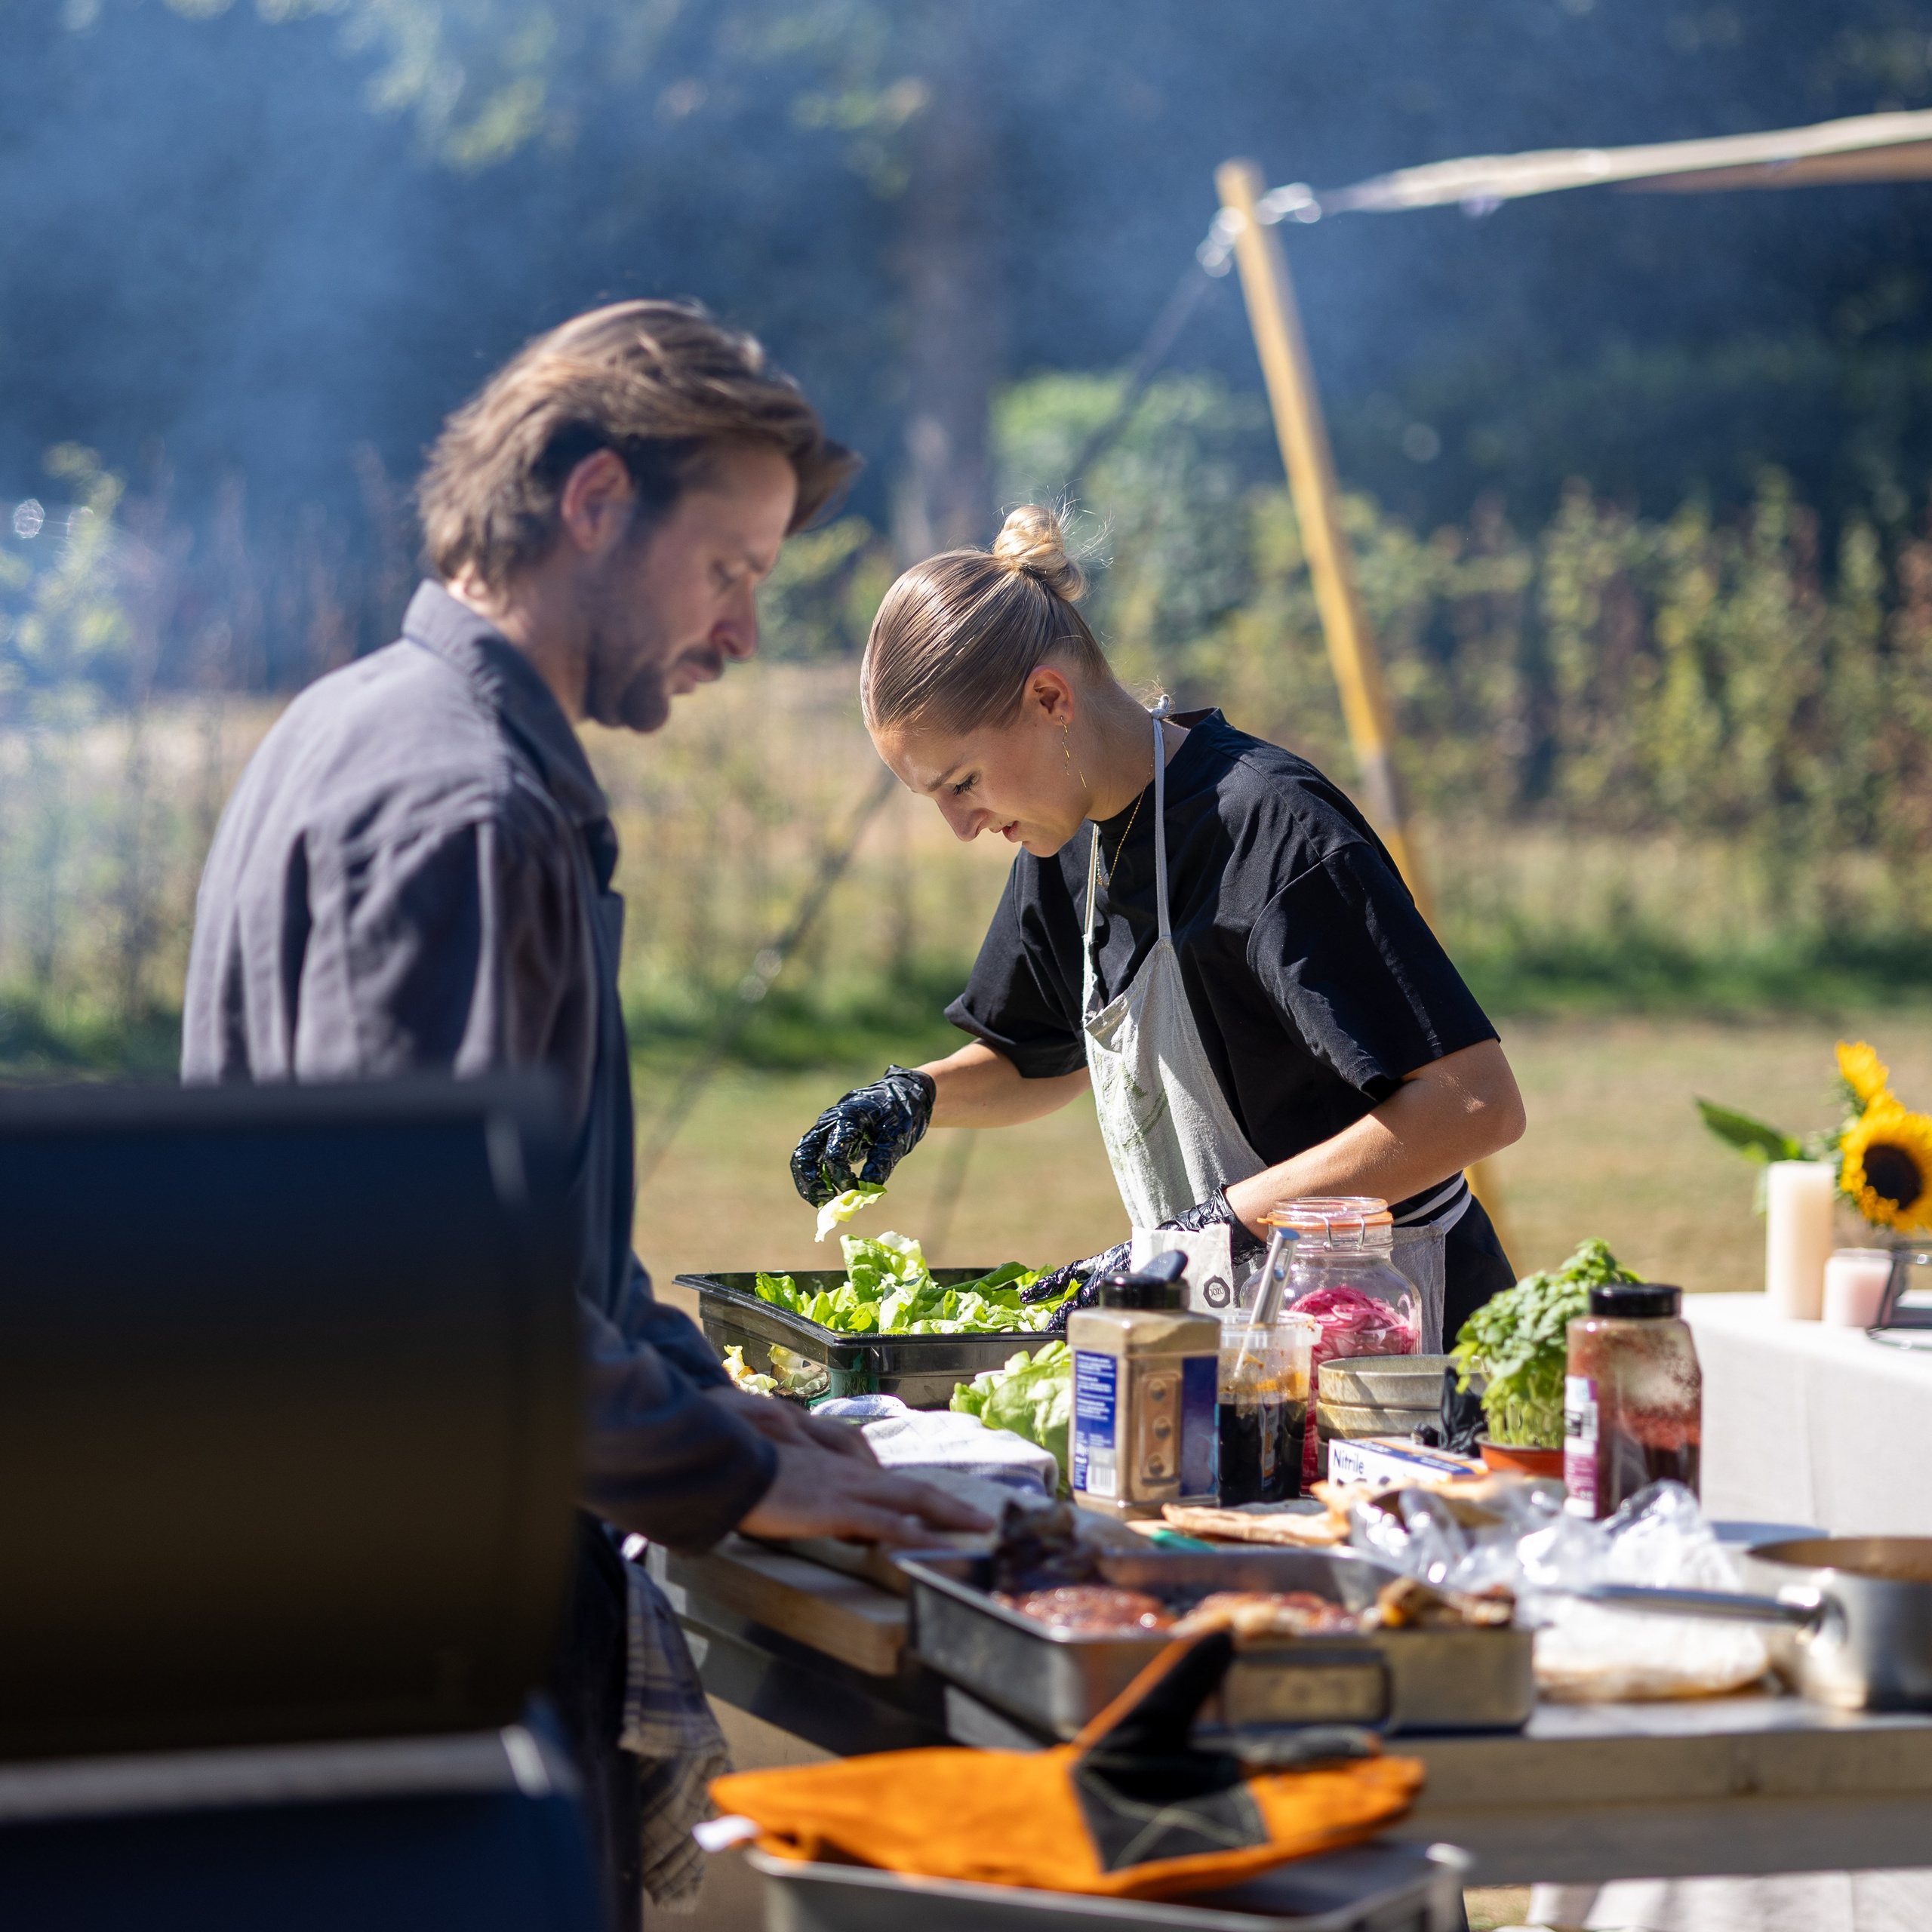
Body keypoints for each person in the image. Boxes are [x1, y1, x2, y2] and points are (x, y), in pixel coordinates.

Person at [180, 301, 986, 1930]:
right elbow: (428, 1292)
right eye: (730, 570)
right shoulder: (458, 801)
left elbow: (531, 1237)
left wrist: (730, 1411)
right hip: (408, 1653)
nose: (744, 633)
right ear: (596, 500)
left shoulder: (364, 721)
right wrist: (724, 1472)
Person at [792, 503, 1527, 1343]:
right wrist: (914, 1097)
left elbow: (1474, 1104)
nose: (961, 827)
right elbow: (1033, 1059)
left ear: (1048, 697)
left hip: (1409, 1344)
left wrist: (1211, 1230)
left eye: (962, 783)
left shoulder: (1270, 825)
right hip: (1249, 1346)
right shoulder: (1068, 846)